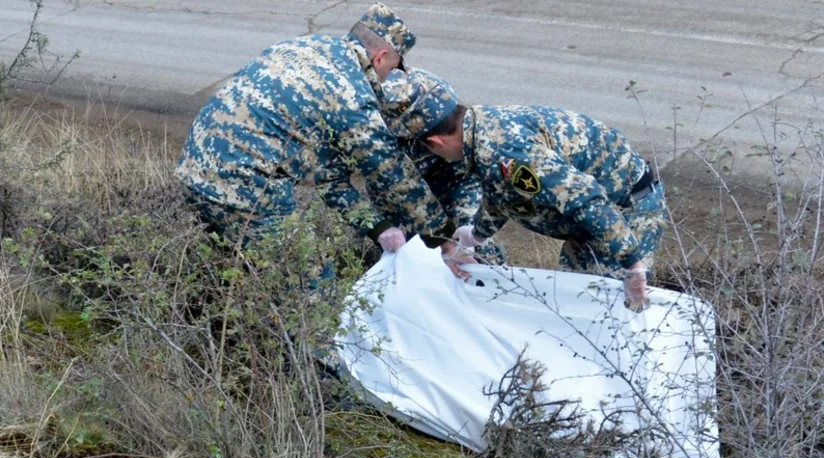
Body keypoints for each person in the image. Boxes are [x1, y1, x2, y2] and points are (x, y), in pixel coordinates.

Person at [174, 3, 457, 259]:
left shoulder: (303, 47)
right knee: (309, 280)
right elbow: (391, 173)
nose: (388, 79)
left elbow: (328, 176)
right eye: (394, 68)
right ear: (381, 57)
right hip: (245, 189)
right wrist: (444, 237)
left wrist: (378, 227)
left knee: (231, 263)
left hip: (192, 170)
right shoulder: (351, 94)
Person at [398, 90, 665, 312]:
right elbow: (505, 192)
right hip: (592, 225)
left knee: (615, 316)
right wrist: (475, 236)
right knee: (575, 308)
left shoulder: (502, 149)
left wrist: (632, 264)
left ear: (435, 141)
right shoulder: (480, 128)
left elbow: (585, 196)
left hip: (623, 217)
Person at [378, 67, 507, 266]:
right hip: (401, 196)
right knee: (398, 257)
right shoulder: (375, 129)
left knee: (474, 246)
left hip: (455, 178)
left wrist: (466, 234)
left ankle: (494, 286)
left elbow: (468, 169)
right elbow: (394, 183)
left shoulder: (433, 92)